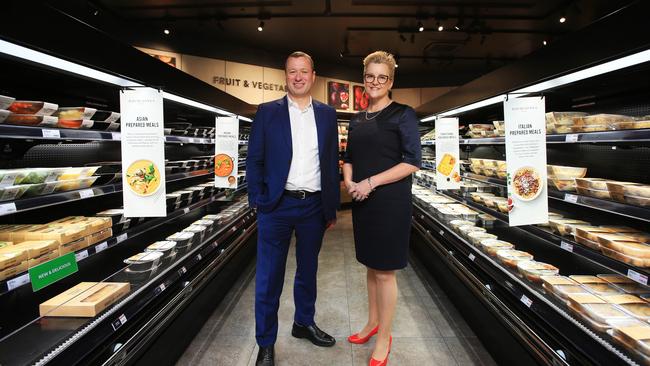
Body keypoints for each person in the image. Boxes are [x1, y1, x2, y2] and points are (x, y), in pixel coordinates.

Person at [246, 51, 340, 366]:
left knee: (308, 270)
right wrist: (258, 200)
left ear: (313, 76)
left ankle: (303, 322)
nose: (298, 77)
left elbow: (329, 163)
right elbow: (254, 159)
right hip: (276, 206)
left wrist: (330, 207)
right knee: (269, 276)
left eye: (304, 71)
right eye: (292, 72)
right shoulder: (267, 112)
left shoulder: (327, 114)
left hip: (313, 206)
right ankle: (266, 343)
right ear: (285, 76)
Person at [342, 51, 421, 366]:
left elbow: (412, 162)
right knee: (371, 267)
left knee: (385, 272)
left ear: (391, 81)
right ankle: (372, 323)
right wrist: (349, 182)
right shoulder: (357, 119)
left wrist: (371, 182)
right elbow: (348, 158)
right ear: (364, 79)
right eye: (370, 76)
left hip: (390, 202)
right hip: (363, 201)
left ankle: (385, 336)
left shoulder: (403, 114)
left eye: (382, 77)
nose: (375, 82)